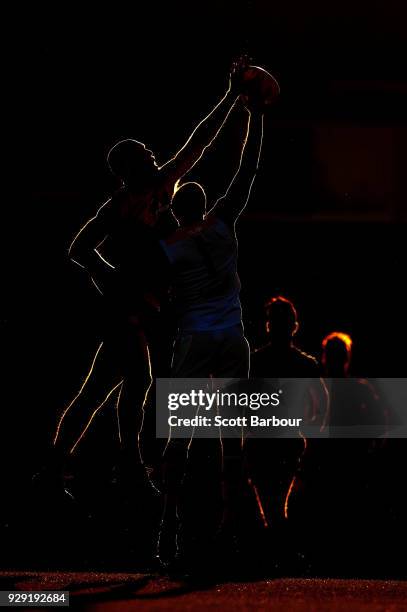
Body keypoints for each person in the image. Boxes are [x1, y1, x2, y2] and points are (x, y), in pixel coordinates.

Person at [45, 60, 250, 492]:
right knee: (129, 382)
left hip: (142, 304)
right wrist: (115, 280)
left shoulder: (158, 190)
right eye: (145, 154)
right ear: (130, 166)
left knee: (112, 385)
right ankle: (124, 465)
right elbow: (78, 248)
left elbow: (199, 144)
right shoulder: (123, 204)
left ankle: (80, 464)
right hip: (128, 306)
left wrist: (231, 97)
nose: (154, 156)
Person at [156, 92, 265, 566]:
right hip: (232, 339)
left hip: (195, 338)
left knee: (180, 439)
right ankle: (235, 537)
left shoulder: (168, 245)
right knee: (232, 443)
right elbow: (248, 167)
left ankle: (168, 532)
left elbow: (163, 298)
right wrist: (256, 116)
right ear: (204, 204)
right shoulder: (224, 224)